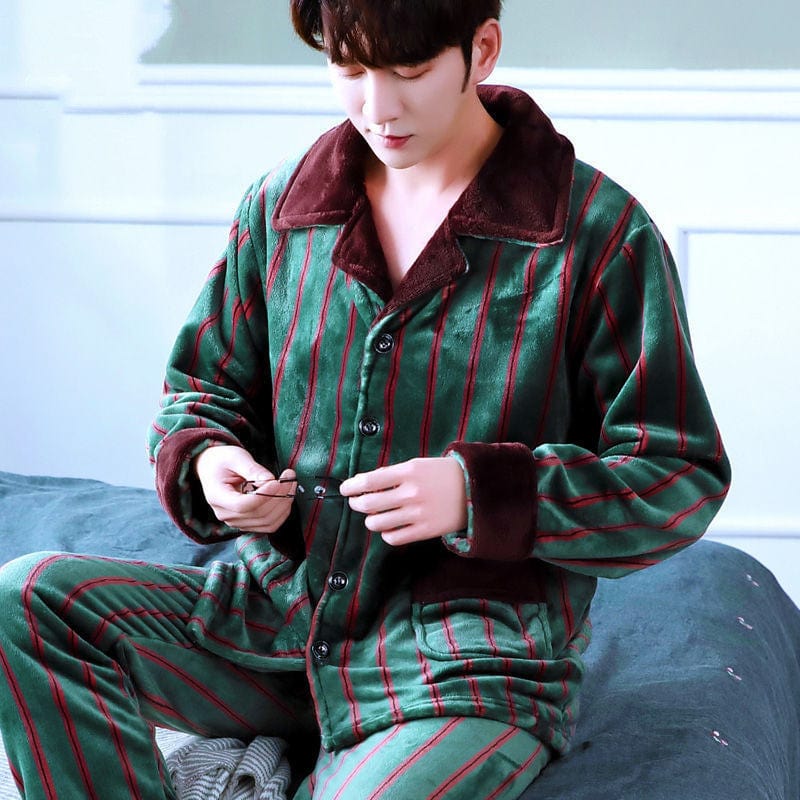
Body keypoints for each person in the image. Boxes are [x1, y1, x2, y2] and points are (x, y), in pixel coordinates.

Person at [0, 1, 731, 798]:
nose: (378, 107)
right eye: (348, 69)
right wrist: (211, 463)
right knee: (27, 603)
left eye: (410, 72)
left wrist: (480, 495)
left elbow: (676, 473)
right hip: (275, 628)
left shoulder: (598, 235)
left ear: (482, 49)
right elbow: (200, 393)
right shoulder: (281, 210)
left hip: (463, 667)